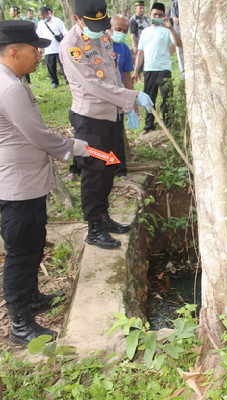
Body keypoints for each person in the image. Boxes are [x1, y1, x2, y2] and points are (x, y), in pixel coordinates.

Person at [0, 20, 90, 344]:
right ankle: (20, 323)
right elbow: (38, 135)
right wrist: (76, 147)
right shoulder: (9, 87)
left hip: (25, 183)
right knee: (21, 253)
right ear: (13, 51)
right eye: (33, 49)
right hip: (17, 187)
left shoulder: (11, 80)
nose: (40, 54)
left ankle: (32, 298)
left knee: (33, 244)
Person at [59, 0, 153, 250]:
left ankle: (103, 216)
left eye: (102, 24)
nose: (100, 30)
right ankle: (94, 228)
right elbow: (94, 85)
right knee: (95, 172)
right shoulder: (72, 46)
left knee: (110, 167)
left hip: (111, 116)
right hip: (91, 121)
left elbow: (111, 74)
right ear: (78, 19)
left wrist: (125, 106)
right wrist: (133, 97)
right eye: (93, 25)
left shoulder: (103, 36)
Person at [132, 2, 182, 135]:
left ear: (164, 16)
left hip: (164, 69)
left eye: (160, 15)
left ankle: (168, 125)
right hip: (149, 69)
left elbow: (178, 44)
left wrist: (171, 28)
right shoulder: (145, 32)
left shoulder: (167, 31)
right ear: (150, 14)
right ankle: (148, 126)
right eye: (155, 14)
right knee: (149, 99)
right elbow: (140, 52)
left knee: (167, 98)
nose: (157, 16)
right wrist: (136, 70)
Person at [111, 14, 136, 179]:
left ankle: (120, 170)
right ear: (109, 27)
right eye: (118, 29)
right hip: (100, 97)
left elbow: (127, 75)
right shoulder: (101, 45)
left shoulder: (124, 48)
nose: (121, 33)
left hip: (119, 96)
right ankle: (77, 168)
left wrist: (132, 101)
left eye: (124, 31)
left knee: (117, 134)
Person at [36, 6, 67, 88]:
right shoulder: (41, 24)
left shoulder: (57, 21)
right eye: (39, 15)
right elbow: (39, 36)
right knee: (51, 67)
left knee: (64, 65)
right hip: (48, 49)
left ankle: (67, 79)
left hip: (59, 48)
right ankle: (54, 82)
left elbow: (64, 32)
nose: (40, 17)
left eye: (41, 15)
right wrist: (39, 48)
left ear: (47, 14)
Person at [168, 0, 184, 79]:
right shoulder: (175, 3)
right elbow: (175, 20)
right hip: (178, 34)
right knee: (180, 52)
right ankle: (183, 72)